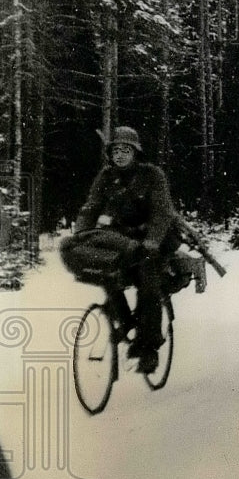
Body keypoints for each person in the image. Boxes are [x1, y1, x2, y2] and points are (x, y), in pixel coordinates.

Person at [63, 126, 177, 373]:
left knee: (148, 285)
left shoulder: (152, 175)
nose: (120, 155)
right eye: (115, 151)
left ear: (136, 153)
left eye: (126, 150)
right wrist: (82, 232)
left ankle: (149, 348)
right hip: (123, 240)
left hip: (154, 240)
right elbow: (91, 205)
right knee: (106, 272)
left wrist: (152, 241)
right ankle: (124, 322)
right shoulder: (107, 176)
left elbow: (162, 212)